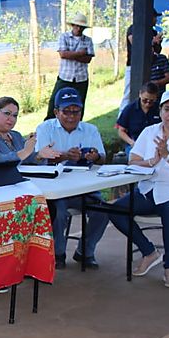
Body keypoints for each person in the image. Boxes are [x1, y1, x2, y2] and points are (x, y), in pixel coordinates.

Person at [108, 89, 169, 288]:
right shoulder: (149, 132)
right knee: (115, 210)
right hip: (149, 191)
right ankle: (149, 251)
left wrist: (168, 156)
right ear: (160, 111)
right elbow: (133, 160)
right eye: (167, 109)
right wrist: (151, 161)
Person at [36, 88, 110, 269]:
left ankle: (85, 251)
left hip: (84, 188)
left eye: (76, 111)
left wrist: (94, 157)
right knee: (59, 212)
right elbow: (40, 157)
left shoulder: (90, 129)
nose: (71, 116)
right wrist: (64, 156)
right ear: (56, 112)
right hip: (57, 189)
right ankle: (58, 253)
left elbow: (102, 157)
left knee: (103, 211)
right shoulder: (45, 128)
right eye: (66, 111)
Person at [0, 96, 60, 165]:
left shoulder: (16, 136)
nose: (11, 119)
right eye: (7, 113)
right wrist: (25, 151)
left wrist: (39, 155)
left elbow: (25, 159)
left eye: (15, 115)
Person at [45, 13, 95, 120]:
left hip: (81, 78)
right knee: (54, 101)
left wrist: (71, 54)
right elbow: (63, 55)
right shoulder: (64, 37)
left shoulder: (88, 40)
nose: (79, 28)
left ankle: (77, 125)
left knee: (79, 103)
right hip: (65, 76)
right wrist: (80, 53)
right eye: (77, 26)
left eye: (81, 27)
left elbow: (88, 59)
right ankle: (48, 123)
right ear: (72, 26)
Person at [120, 9, 162, 113]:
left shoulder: (153, 32)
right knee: (128, 93)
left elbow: (157, 51)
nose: (155, 20)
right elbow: (136, 43)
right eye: (154, 17)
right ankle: (121, 118)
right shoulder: (133, 28)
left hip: (149, 66)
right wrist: (152, 41)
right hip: (133, 66)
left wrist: (157, 43)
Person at [116, 82, 161, 155]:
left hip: (155, 145)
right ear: (140, 94)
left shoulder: (159, 109)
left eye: (151, 101)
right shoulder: (129, 109)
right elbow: (121, 131)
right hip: (134, 144)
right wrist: (132, 142)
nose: (147, 103)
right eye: (145, 100)